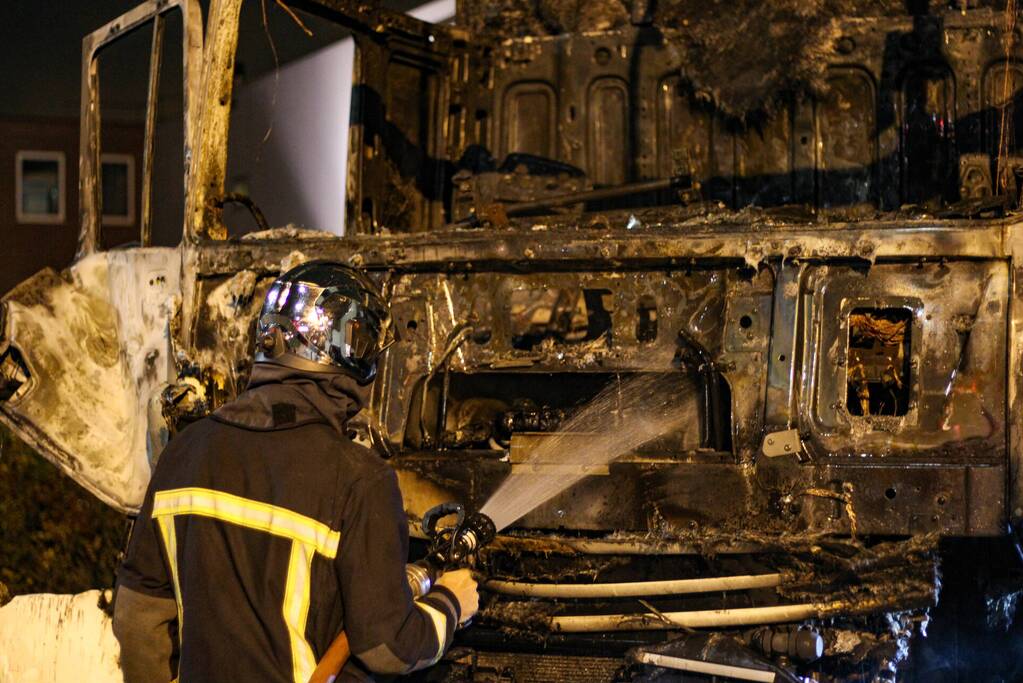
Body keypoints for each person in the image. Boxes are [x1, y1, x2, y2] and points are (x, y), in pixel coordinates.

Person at [112, 261, 479, 682]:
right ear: (345, 351)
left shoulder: (183, 455)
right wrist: (452, 601)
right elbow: (388, 647)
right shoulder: (359, 479)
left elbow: (138, 623)